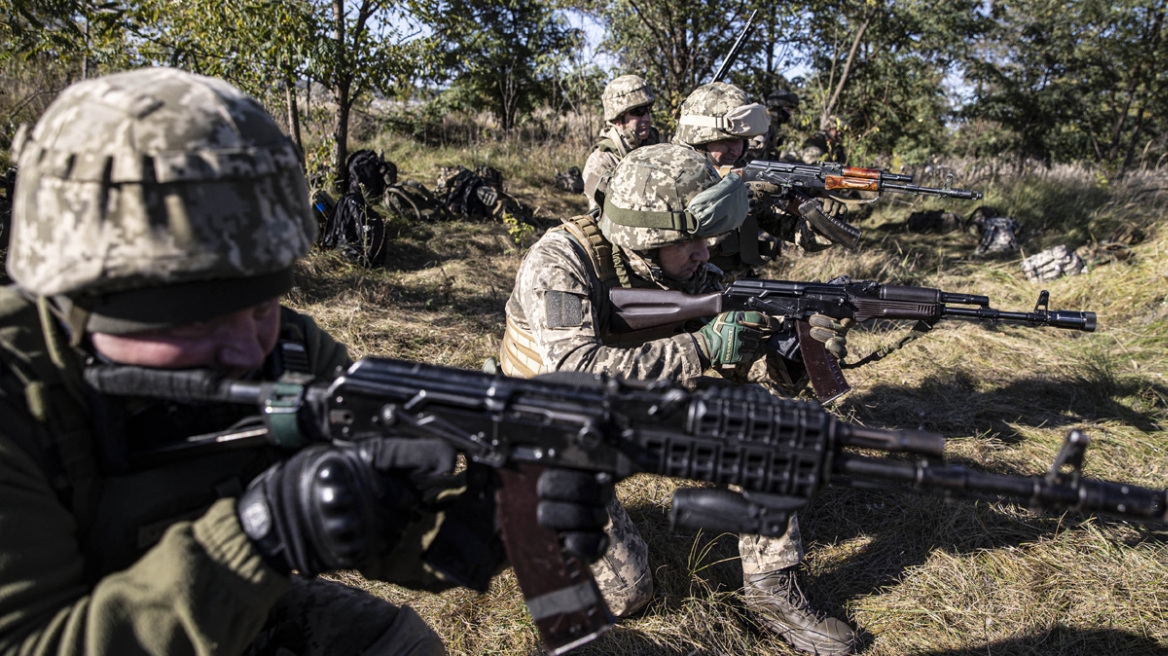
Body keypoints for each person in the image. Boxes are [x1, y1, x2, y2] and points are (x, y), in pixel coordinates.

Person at [0, 67, 608, 656]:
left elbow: (396, 540)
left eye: (261, 305)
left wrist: (490, 516)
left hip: (222, 611)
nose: (248, 350)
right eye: (199, 319)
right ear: (81, 299)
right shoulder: (16, 394)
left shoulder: (289, 352)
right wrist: (261, 534)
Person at [500, 143, 857, 655]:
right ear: (647, 238)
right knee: (627, 594)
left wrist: (794, 356)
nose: (705, 253)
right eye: (690, 241)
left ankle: (771, 588)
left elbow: (741, 367)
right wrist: (701, 347)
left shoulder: (687, 271)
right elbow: (575, 371)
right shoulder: (559, 262)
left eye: (706, 239)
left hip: (634, 405)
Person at [674, 82, 850, 279]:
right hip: (690, 291)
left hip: (739, 284)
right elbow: (670, 249)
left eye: (742, 140)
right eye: (728, 140)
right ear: (699, 137)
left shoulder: (738, 177)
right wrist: (729, 211)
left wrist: (823, 221)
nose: (737, 150)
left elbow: (793, 230)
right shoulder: (669, 180)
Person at [582, 74, 660, 210]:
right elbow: (599, 214)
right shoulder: (600, 161)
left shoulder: (655, 143)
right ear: (617, 118)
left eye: (648, 110)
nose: (647, 118)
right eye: (638, 112)